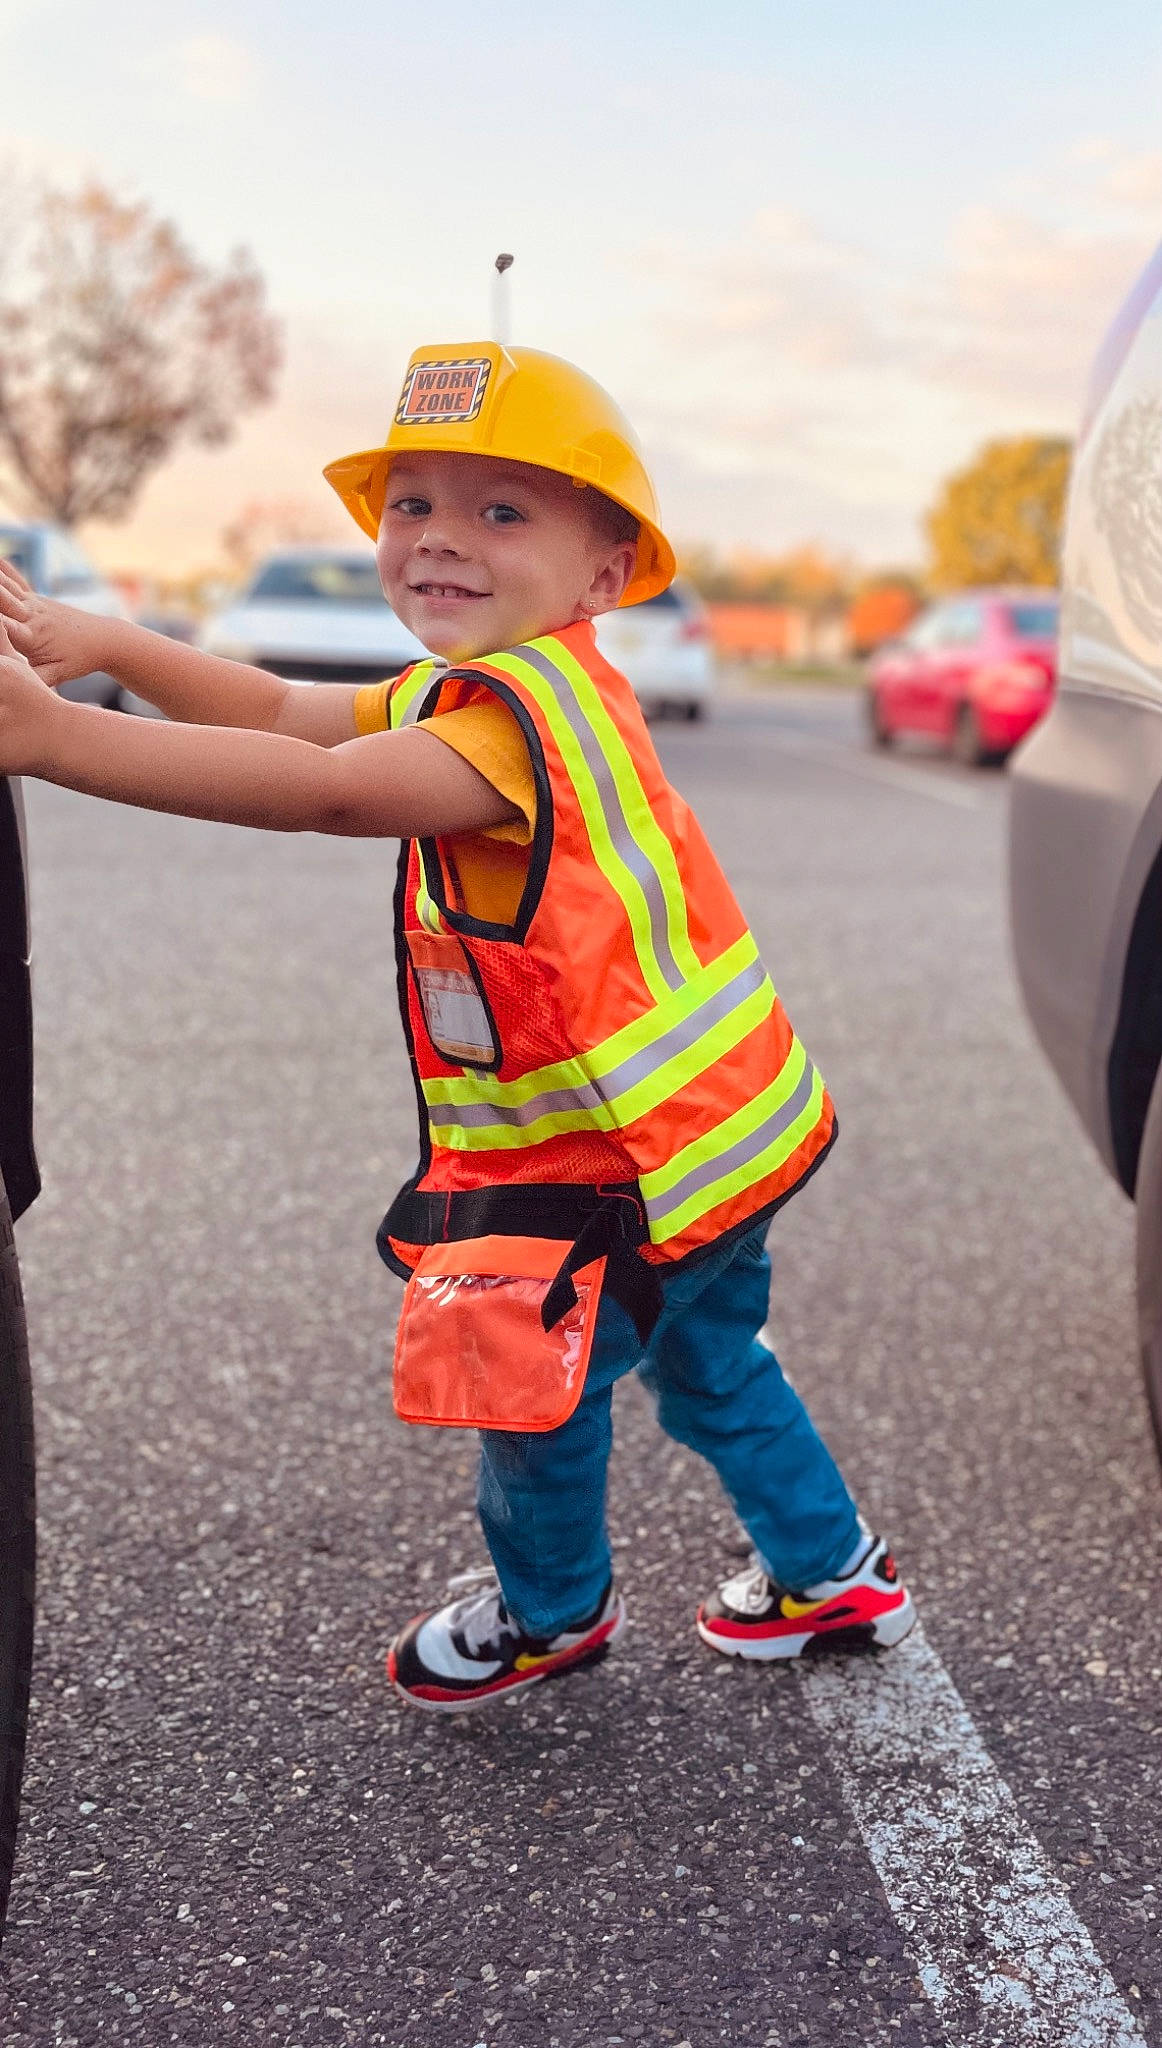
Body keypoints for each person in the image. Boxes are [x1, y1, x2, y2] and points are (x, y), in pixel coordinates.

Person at [0, 341, 914, 1715]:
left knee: (525, 1393)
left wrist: (58, 742)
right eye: (410, 503)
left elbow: (324, 790)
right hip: (729, 1138)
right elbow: (282, 710)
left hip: (608, 1174)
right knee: (716, 1365)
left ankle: (552, 1613)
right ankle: (827, 1566)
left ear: (605, 571)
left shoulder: (499, 729)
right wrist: (114, 649)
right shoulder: (542, 682)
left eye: (500, 511)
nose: (436, 537)